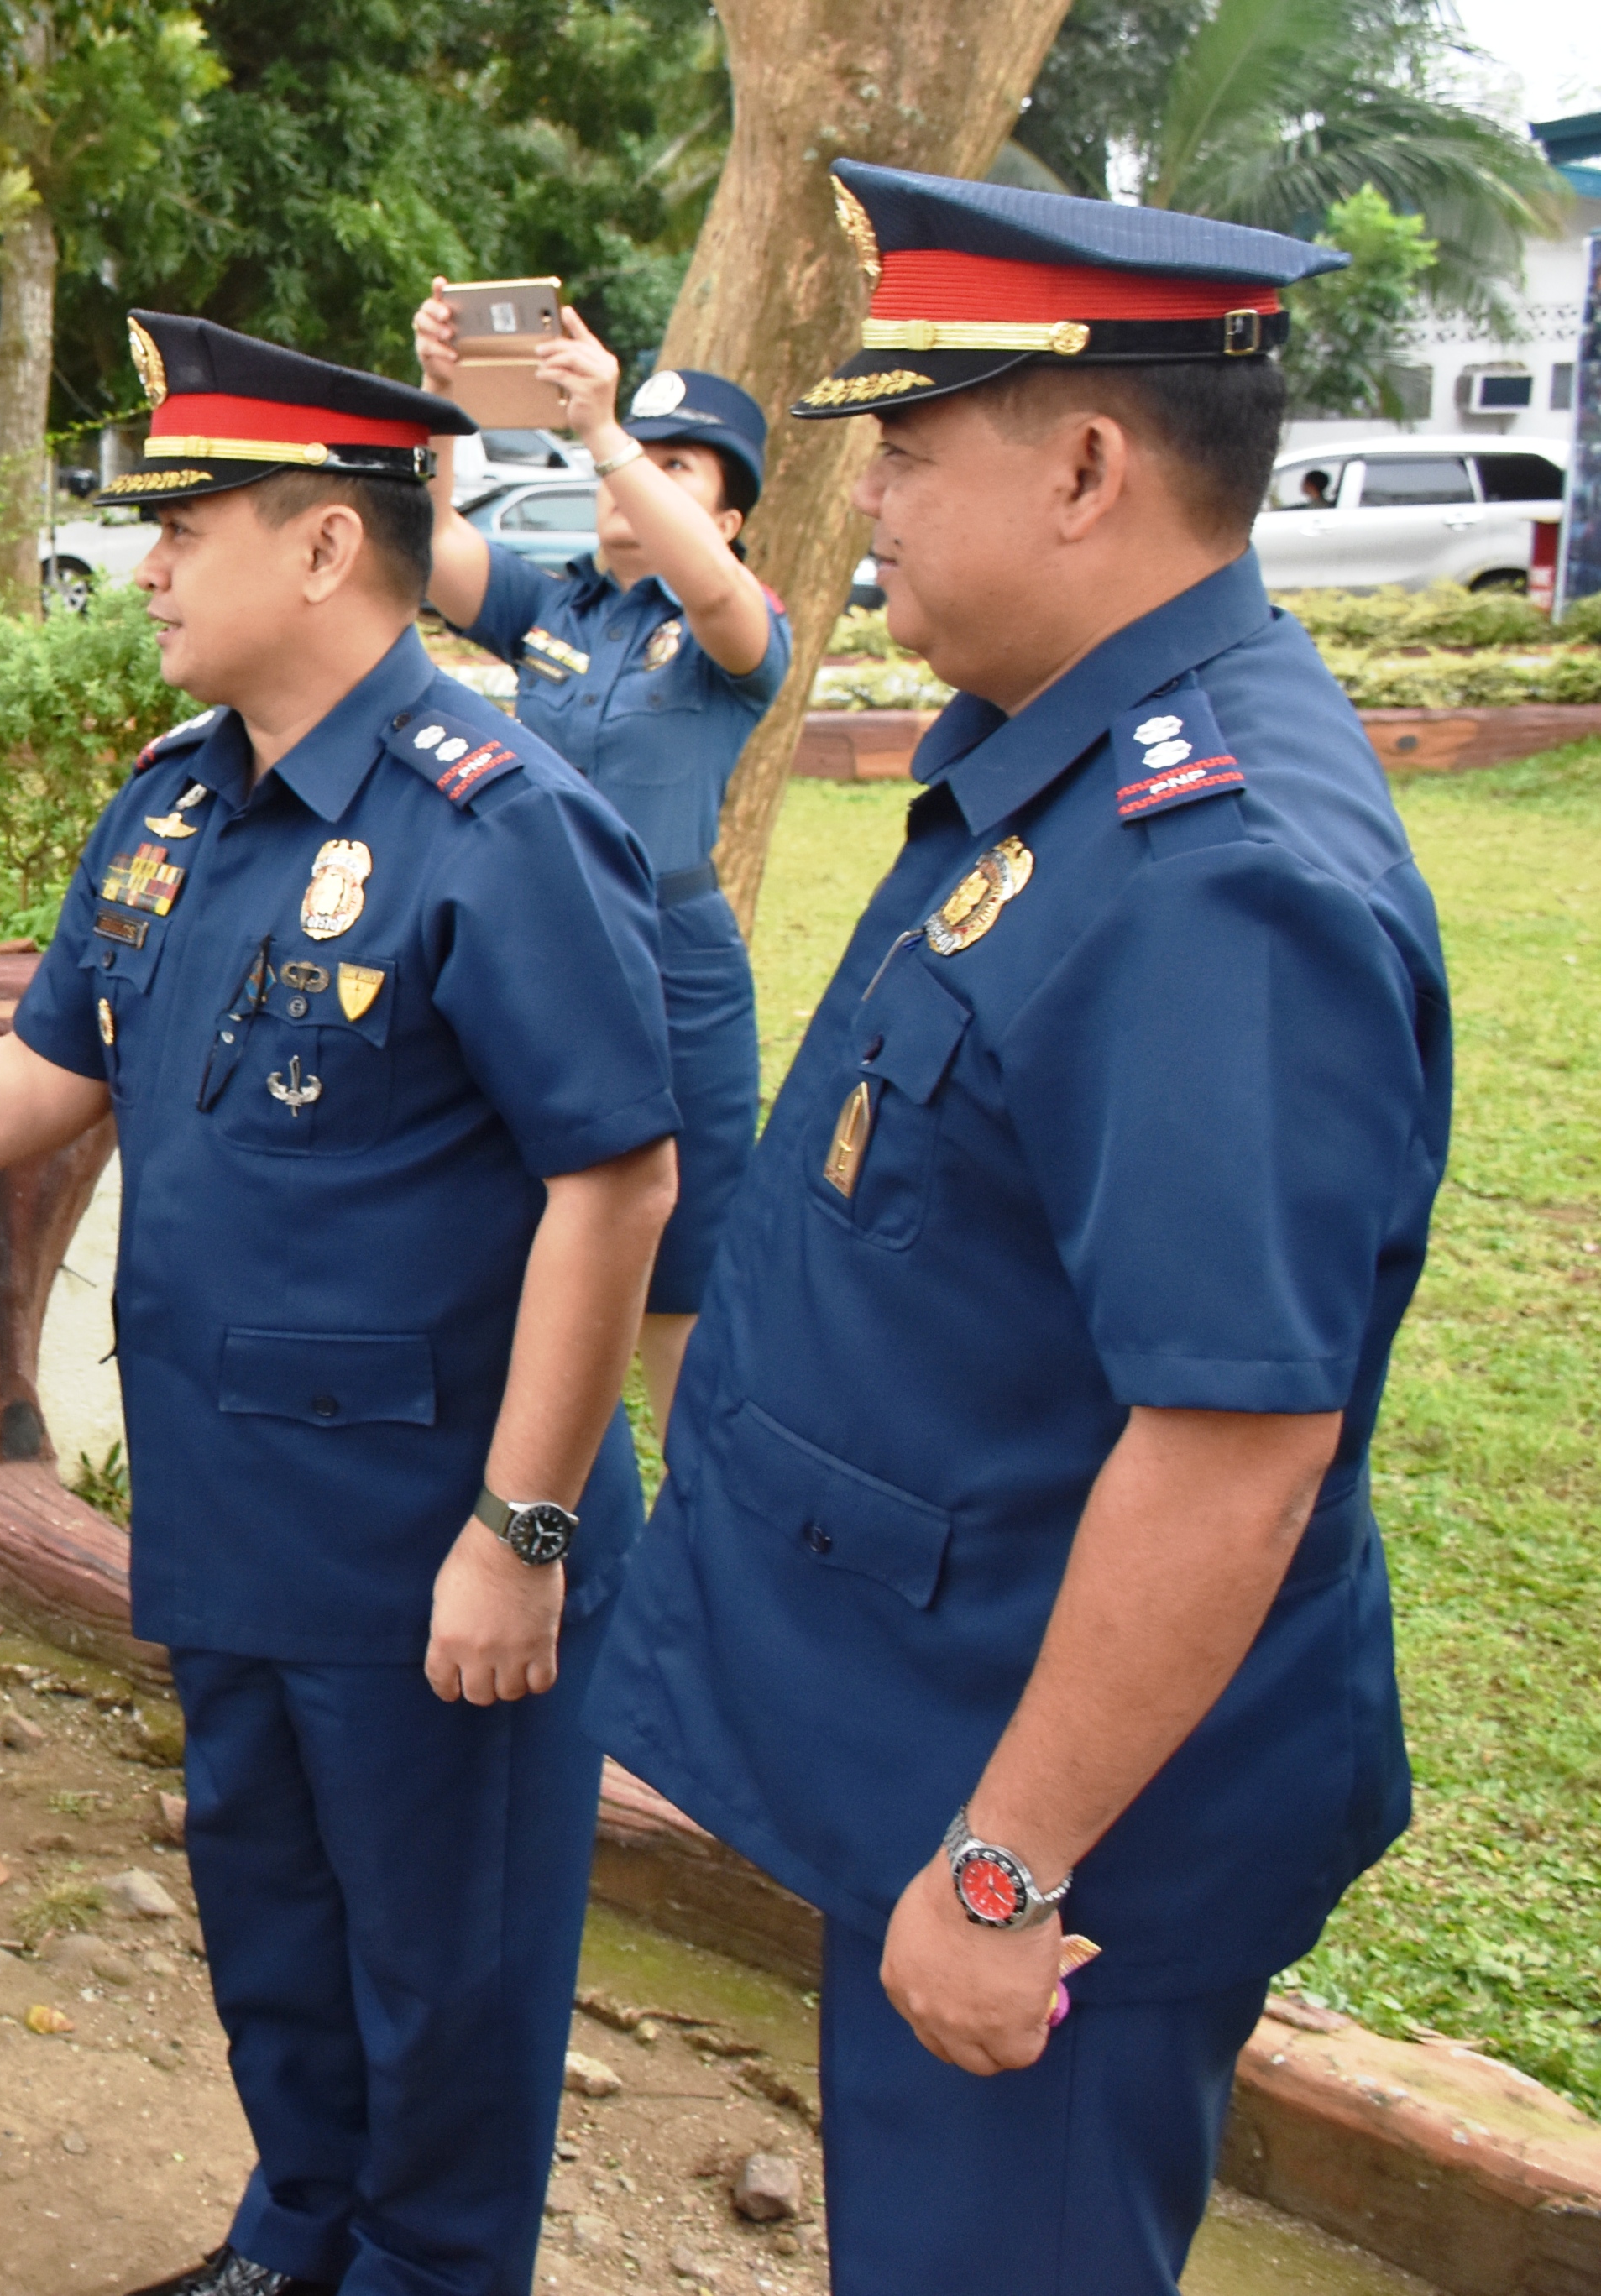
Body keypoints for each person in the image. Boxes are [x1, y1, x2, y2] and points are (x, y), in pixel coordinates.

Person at [0, 311, 680, 2296]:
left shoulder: (494, 814)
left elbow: (611, 1176)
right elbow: (46, 1071)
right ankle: (294, 2229)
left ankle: (419, 2264)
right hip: (231, 1507)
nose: (144, 568)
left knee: (441, 1969)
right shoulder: (181, 800)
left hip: (425, 1538)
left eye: (182, 528)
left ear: (317, 550)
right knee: (275, 1918)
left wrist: (519, 1524)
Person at [583, 160, 1445, 2293]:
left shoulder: (1213, 873)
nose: (858, 491)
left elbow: (1233, 1442)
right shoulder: (1066, 767)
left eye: (904, 437)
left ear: (1080, 463)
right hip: (956, 1735)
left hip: (1062, 1851)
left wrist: (997, 1866)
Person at [408, 302, 786, 1434]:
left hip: (674, 963)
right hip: (537, 948)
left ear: (725, 509)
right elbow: (430, 553)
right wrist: (436, 403)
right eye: (626, 464)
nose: (632, 483)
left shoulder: (734, 620)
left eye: (676, 467)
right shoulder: (556, 603)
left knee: (682, 1271)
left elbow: (718, 595)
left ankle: (695, 1535)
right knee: (520, 1229)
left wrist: (609, 430)